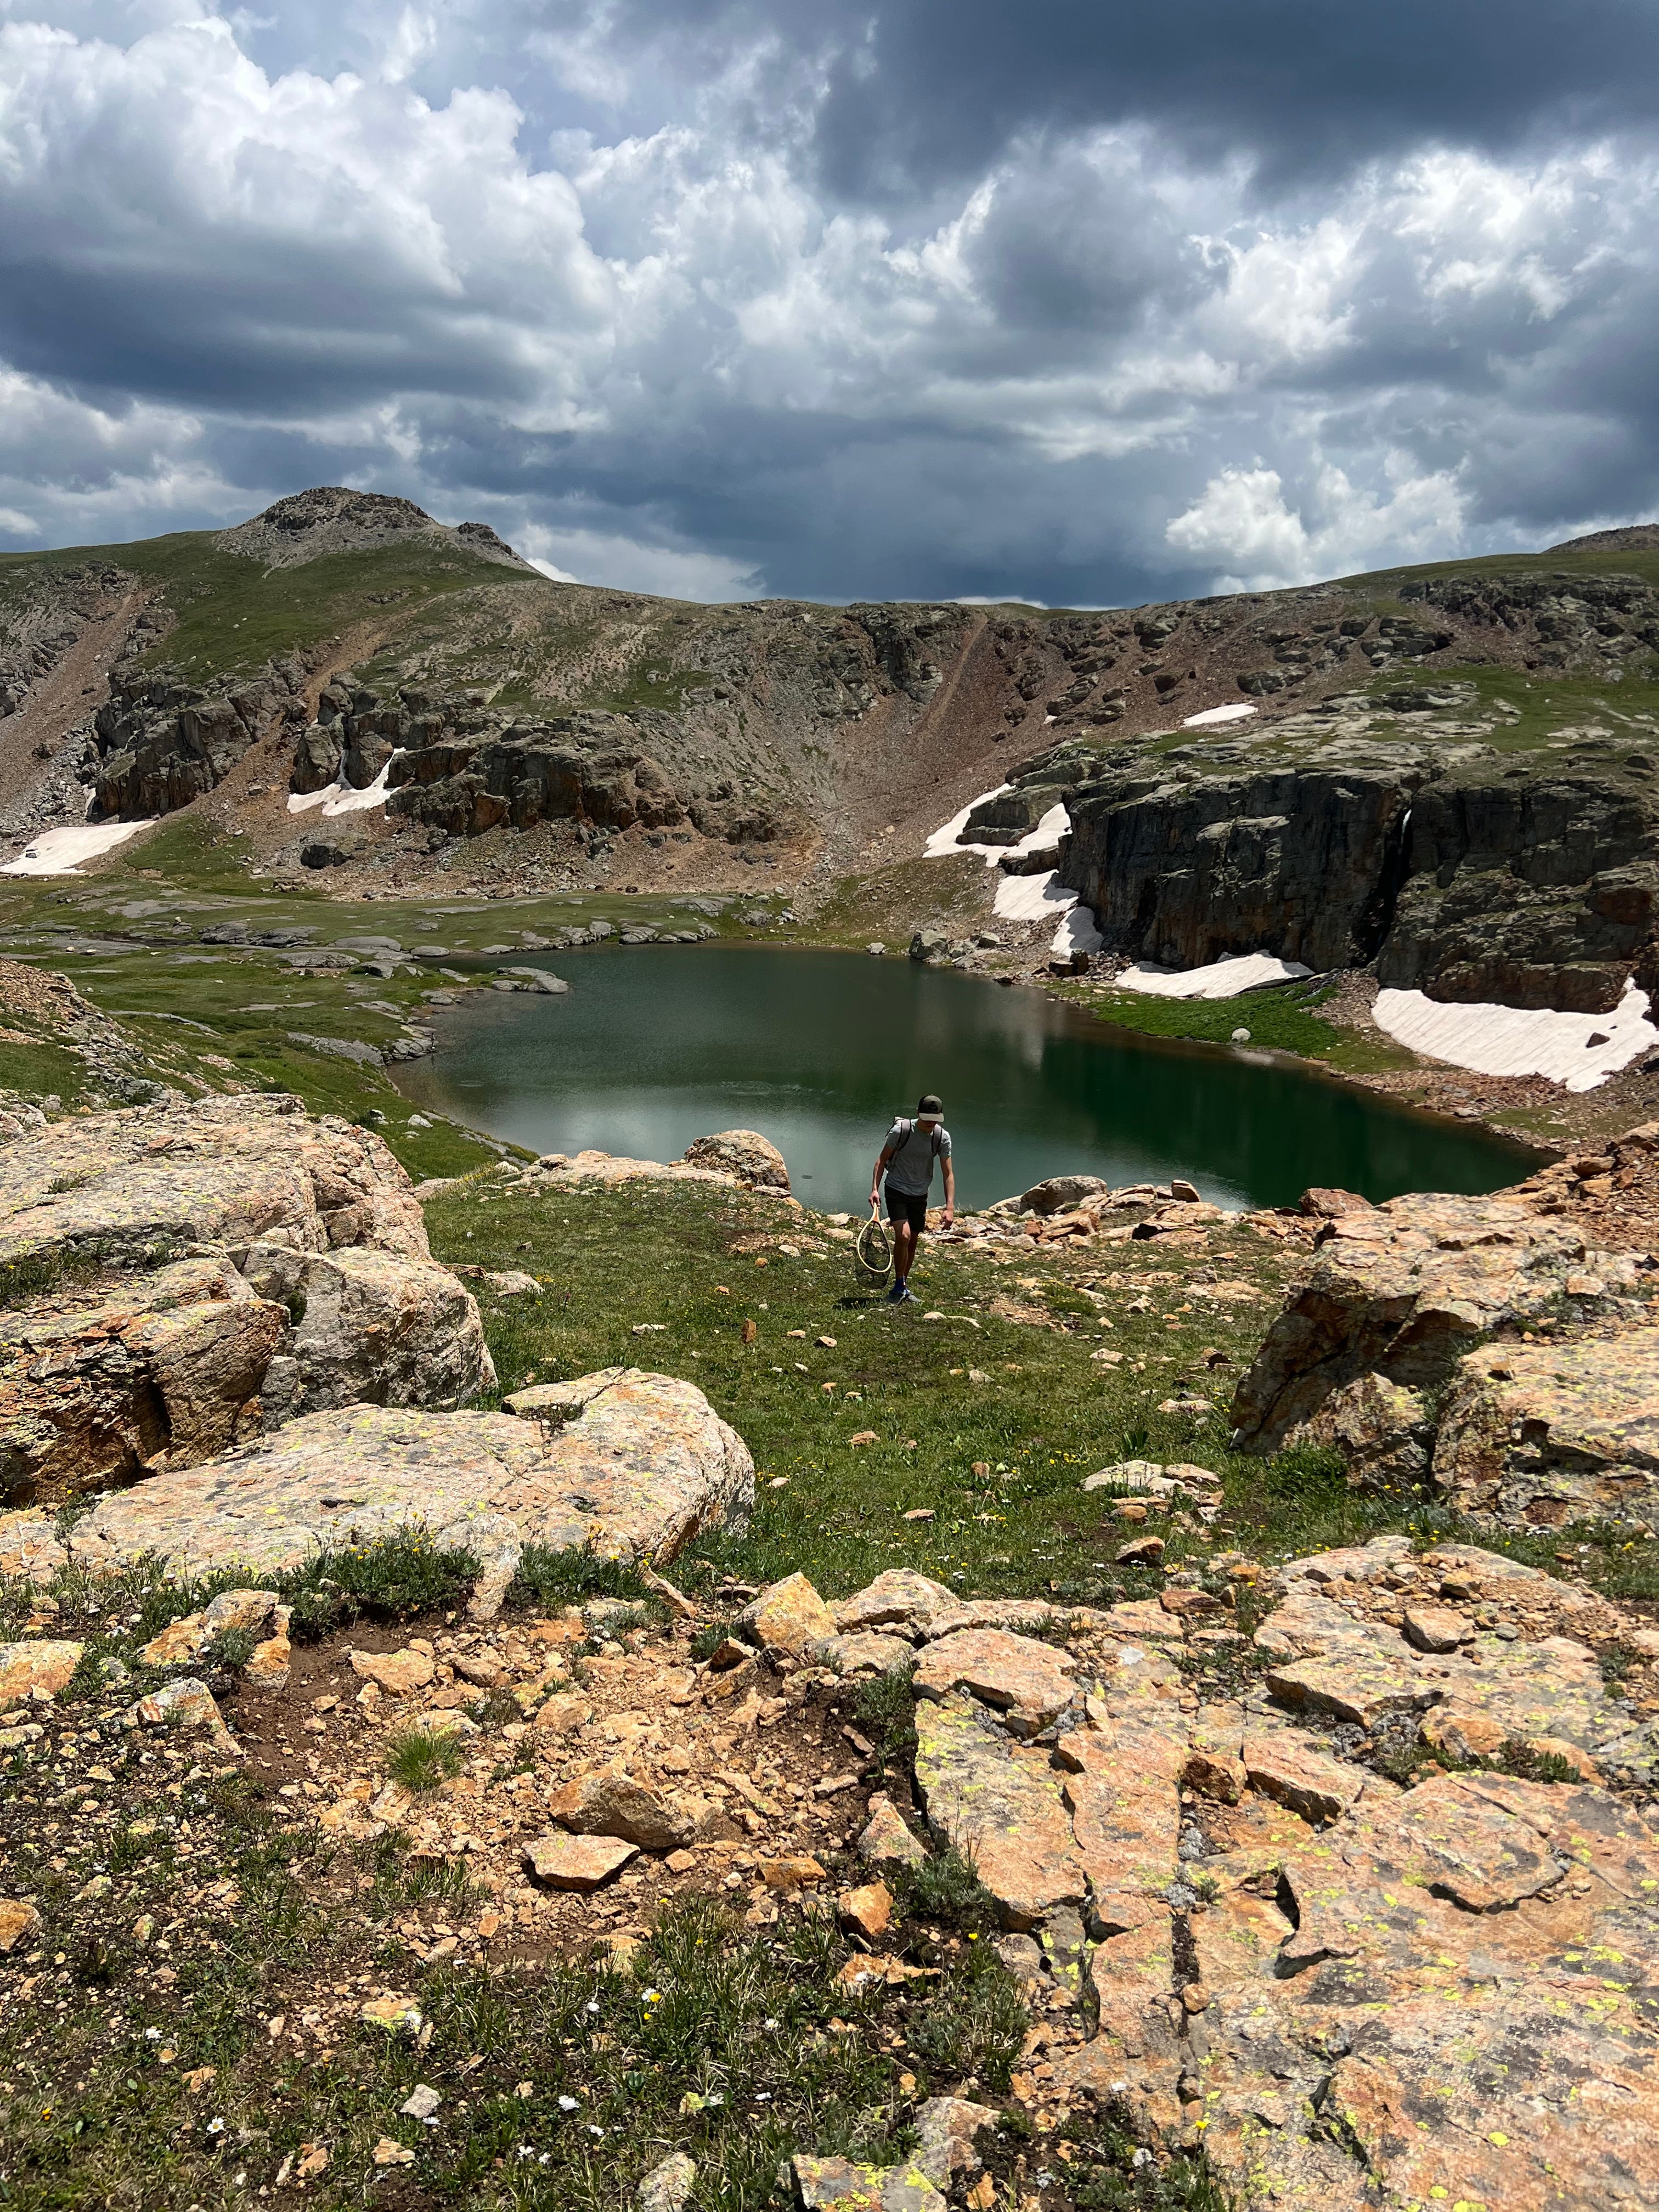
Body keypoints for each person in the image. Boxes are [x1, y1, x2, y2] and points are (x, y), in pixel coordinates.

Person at [870, 1092, 955, 1304]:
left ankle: (903, 1285)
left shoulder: (942, 1137)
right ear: (918, 1114)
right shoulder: (902, 1131)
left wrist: (950, 1207)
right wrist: (874, 1189)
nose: (930, 1123)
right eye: (926, 1118)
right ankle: (898, 1286)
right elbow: (881, 1160)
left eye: (934, 1120)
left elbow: (948, 1174)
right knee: (904, 1236)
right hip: (896, 1189)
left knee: (913, 1240)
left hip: (920, 1194)